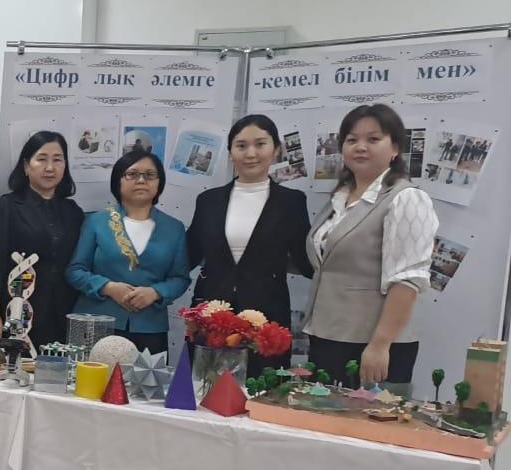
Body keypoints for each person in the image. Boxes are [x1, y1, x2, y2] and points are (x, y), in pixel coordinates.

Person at [305, 103, 439, 389]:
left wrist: (380, 345)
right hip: (328, 336)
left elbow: (407, 281)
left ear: (395, 148)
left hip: (373, 345)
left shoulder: (406, 198)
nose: (360, 147)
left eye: (373, 139)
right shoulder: (339, 198)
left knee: (368, 417)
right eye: (352, 139)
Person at [186, 114, 314, 375]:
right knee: (204, 387)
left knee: (263, 390)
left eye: (260, 144)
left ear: (276, 150)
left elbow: (306, 261)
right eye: (241, 145)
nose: (251, 153)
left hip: (267, 316)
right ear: (230, 153)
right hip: (213, 312)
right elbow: (188, 255)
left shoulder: (292, 202)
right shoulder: (208, 201)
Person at [66, 150, 191, 354]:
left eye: (150, 175)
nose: (141, 180)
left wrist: (156, 292)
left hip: (150, 327)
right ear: (118, 181)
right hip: (97, 323)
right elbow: (75, 271)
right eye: (132, 174)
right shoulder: (97, 221)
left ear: (159, 183)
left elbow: (180, 278)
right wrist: (107, 287)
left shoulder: (174, 228)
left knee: (148, 377)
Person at [0, 131, 84, 349]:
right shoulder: (7, 207)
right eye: (42, 159)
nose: (50, 168)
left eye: (57, 160)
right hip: (18, 313)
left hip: (63, 315)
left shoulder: (73, 211)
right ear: (27, 166)